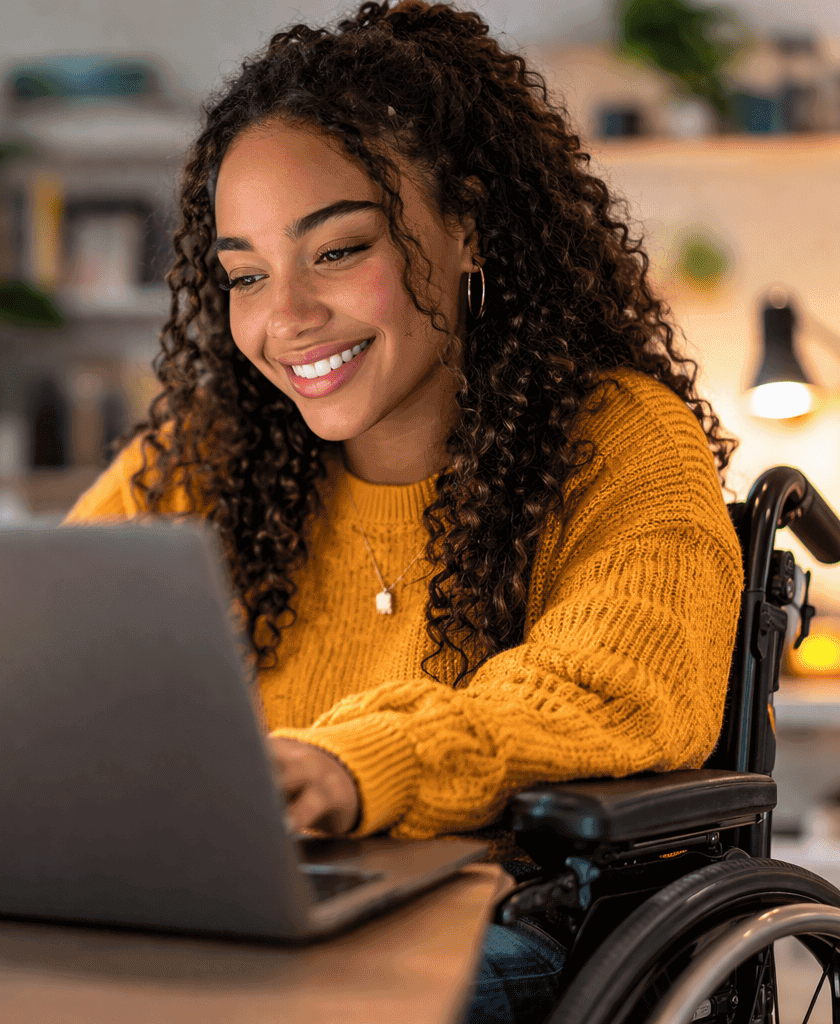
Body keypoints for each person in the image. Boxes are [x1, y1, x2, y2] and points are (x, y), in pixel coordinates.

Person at [62, 3, 742, 1021]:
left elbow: (613, 686)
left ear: (466, 223)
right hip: (246, 912)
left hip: (497, 922)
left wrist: (356, 762)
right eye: (245, 273)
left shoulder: (621, 439)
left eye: (336, 251)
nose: (284, 318)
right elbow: (36, 643)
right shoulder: (210, 459)